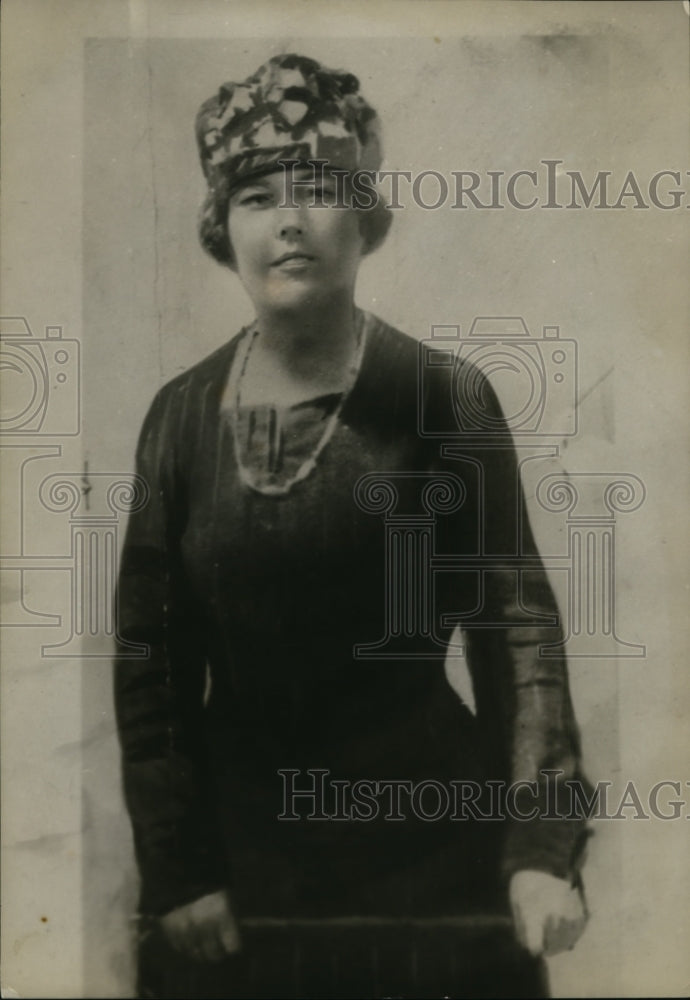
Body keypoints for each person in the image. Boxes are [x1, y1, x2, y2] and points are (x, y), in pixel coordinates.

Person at [114, 53, 590, 999]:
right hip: (237, 874)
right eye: (256, 197)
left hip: (430, 850)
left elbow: (517, 625)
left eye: (320, 190)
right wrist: (180, 869)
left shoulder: (447, 398)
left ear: (363, 217)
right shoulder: (178, 415)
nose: (289, 221)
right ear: (223, 228)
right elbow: (151, 662)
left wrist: (541, 847)